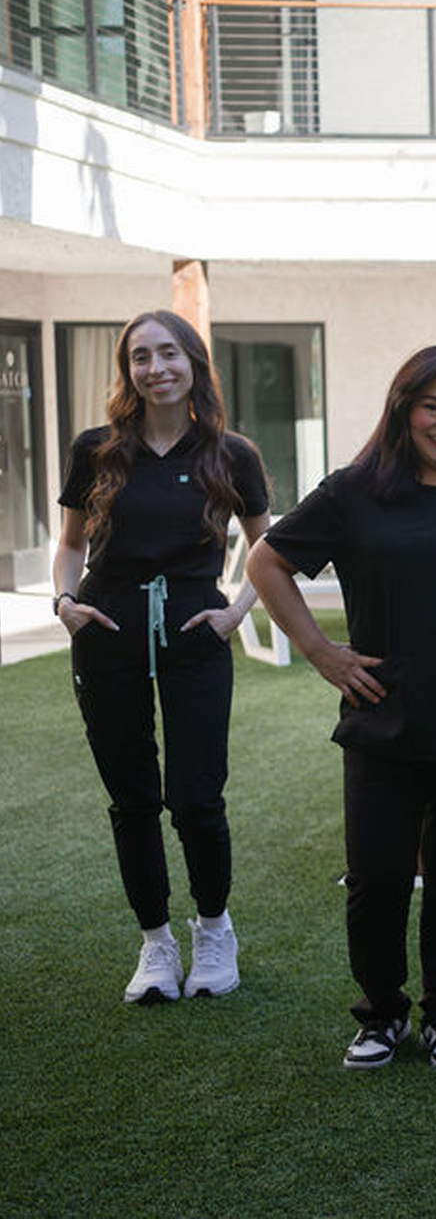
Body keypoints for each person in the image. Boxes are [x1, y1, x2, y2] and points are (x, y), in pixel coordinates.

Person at [247, 345, 436, 1069]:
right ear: (403, 407)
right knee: (377, 879)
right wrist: (322, 653)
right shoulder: (355, 493)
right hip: (383, 716)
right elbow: (267, 561)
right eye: (434, 406)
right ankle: (381, 1014)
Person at [53, 309, 271, 1005]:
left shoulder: (230, 453)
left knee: (197, 798)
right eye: (141, 357)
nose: (156, 369)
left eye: (168, 354)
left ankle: (213, 930)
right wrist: (64, 604)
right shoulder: (97, 449)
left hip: (194, 632)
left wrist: (237, 612)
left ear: (194, 363)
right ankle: (154, 945)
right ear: (128, 371)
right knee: (132, 799)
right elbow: (70, 544)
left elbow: (270, 549)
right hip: (106, 628)